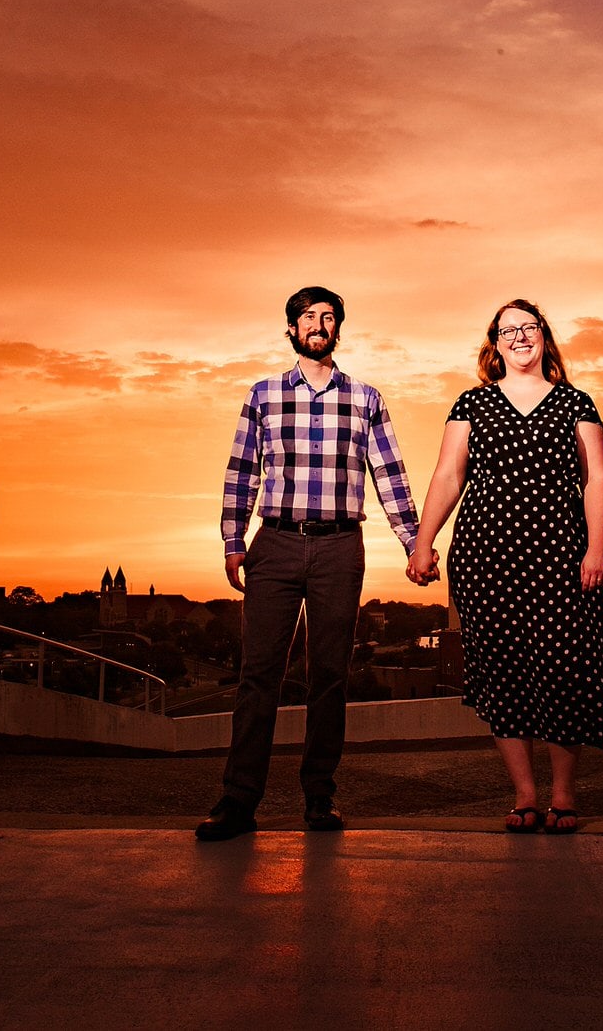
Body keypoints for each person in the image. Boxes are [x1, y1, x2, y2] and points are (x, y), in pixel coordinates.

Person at [407, 299, 603, 835]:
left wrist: (596, 551)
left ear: (544, 336)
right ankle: (525, 796)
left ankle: (564, 795)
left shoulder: (576, 404)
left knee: (563, 672)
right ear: (494, 343)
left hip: (562, 558)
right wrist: (424, 544)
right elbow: (447, 477)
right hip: (485, 561)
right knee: (504, 675)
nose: (519, 336)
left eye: (528, 327)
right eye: (507, 330)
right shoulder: (471, 404)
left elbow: (598, 480)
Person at [197, 286, 421, 841]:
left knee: (328, 676)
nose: (317, 325)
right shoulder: (263, 394)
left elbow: (389, 474)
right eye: (307, 317)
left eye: (328, 317)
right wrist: (233, 540)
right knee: (259, 677)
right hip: (273, 545)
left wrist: (413, 541)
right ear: (291, 329)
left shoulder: (365, 398)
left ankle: (319, 797)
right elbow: (241, 470)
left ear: (338, 329)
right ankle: (238, 800)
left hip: (340, 547)